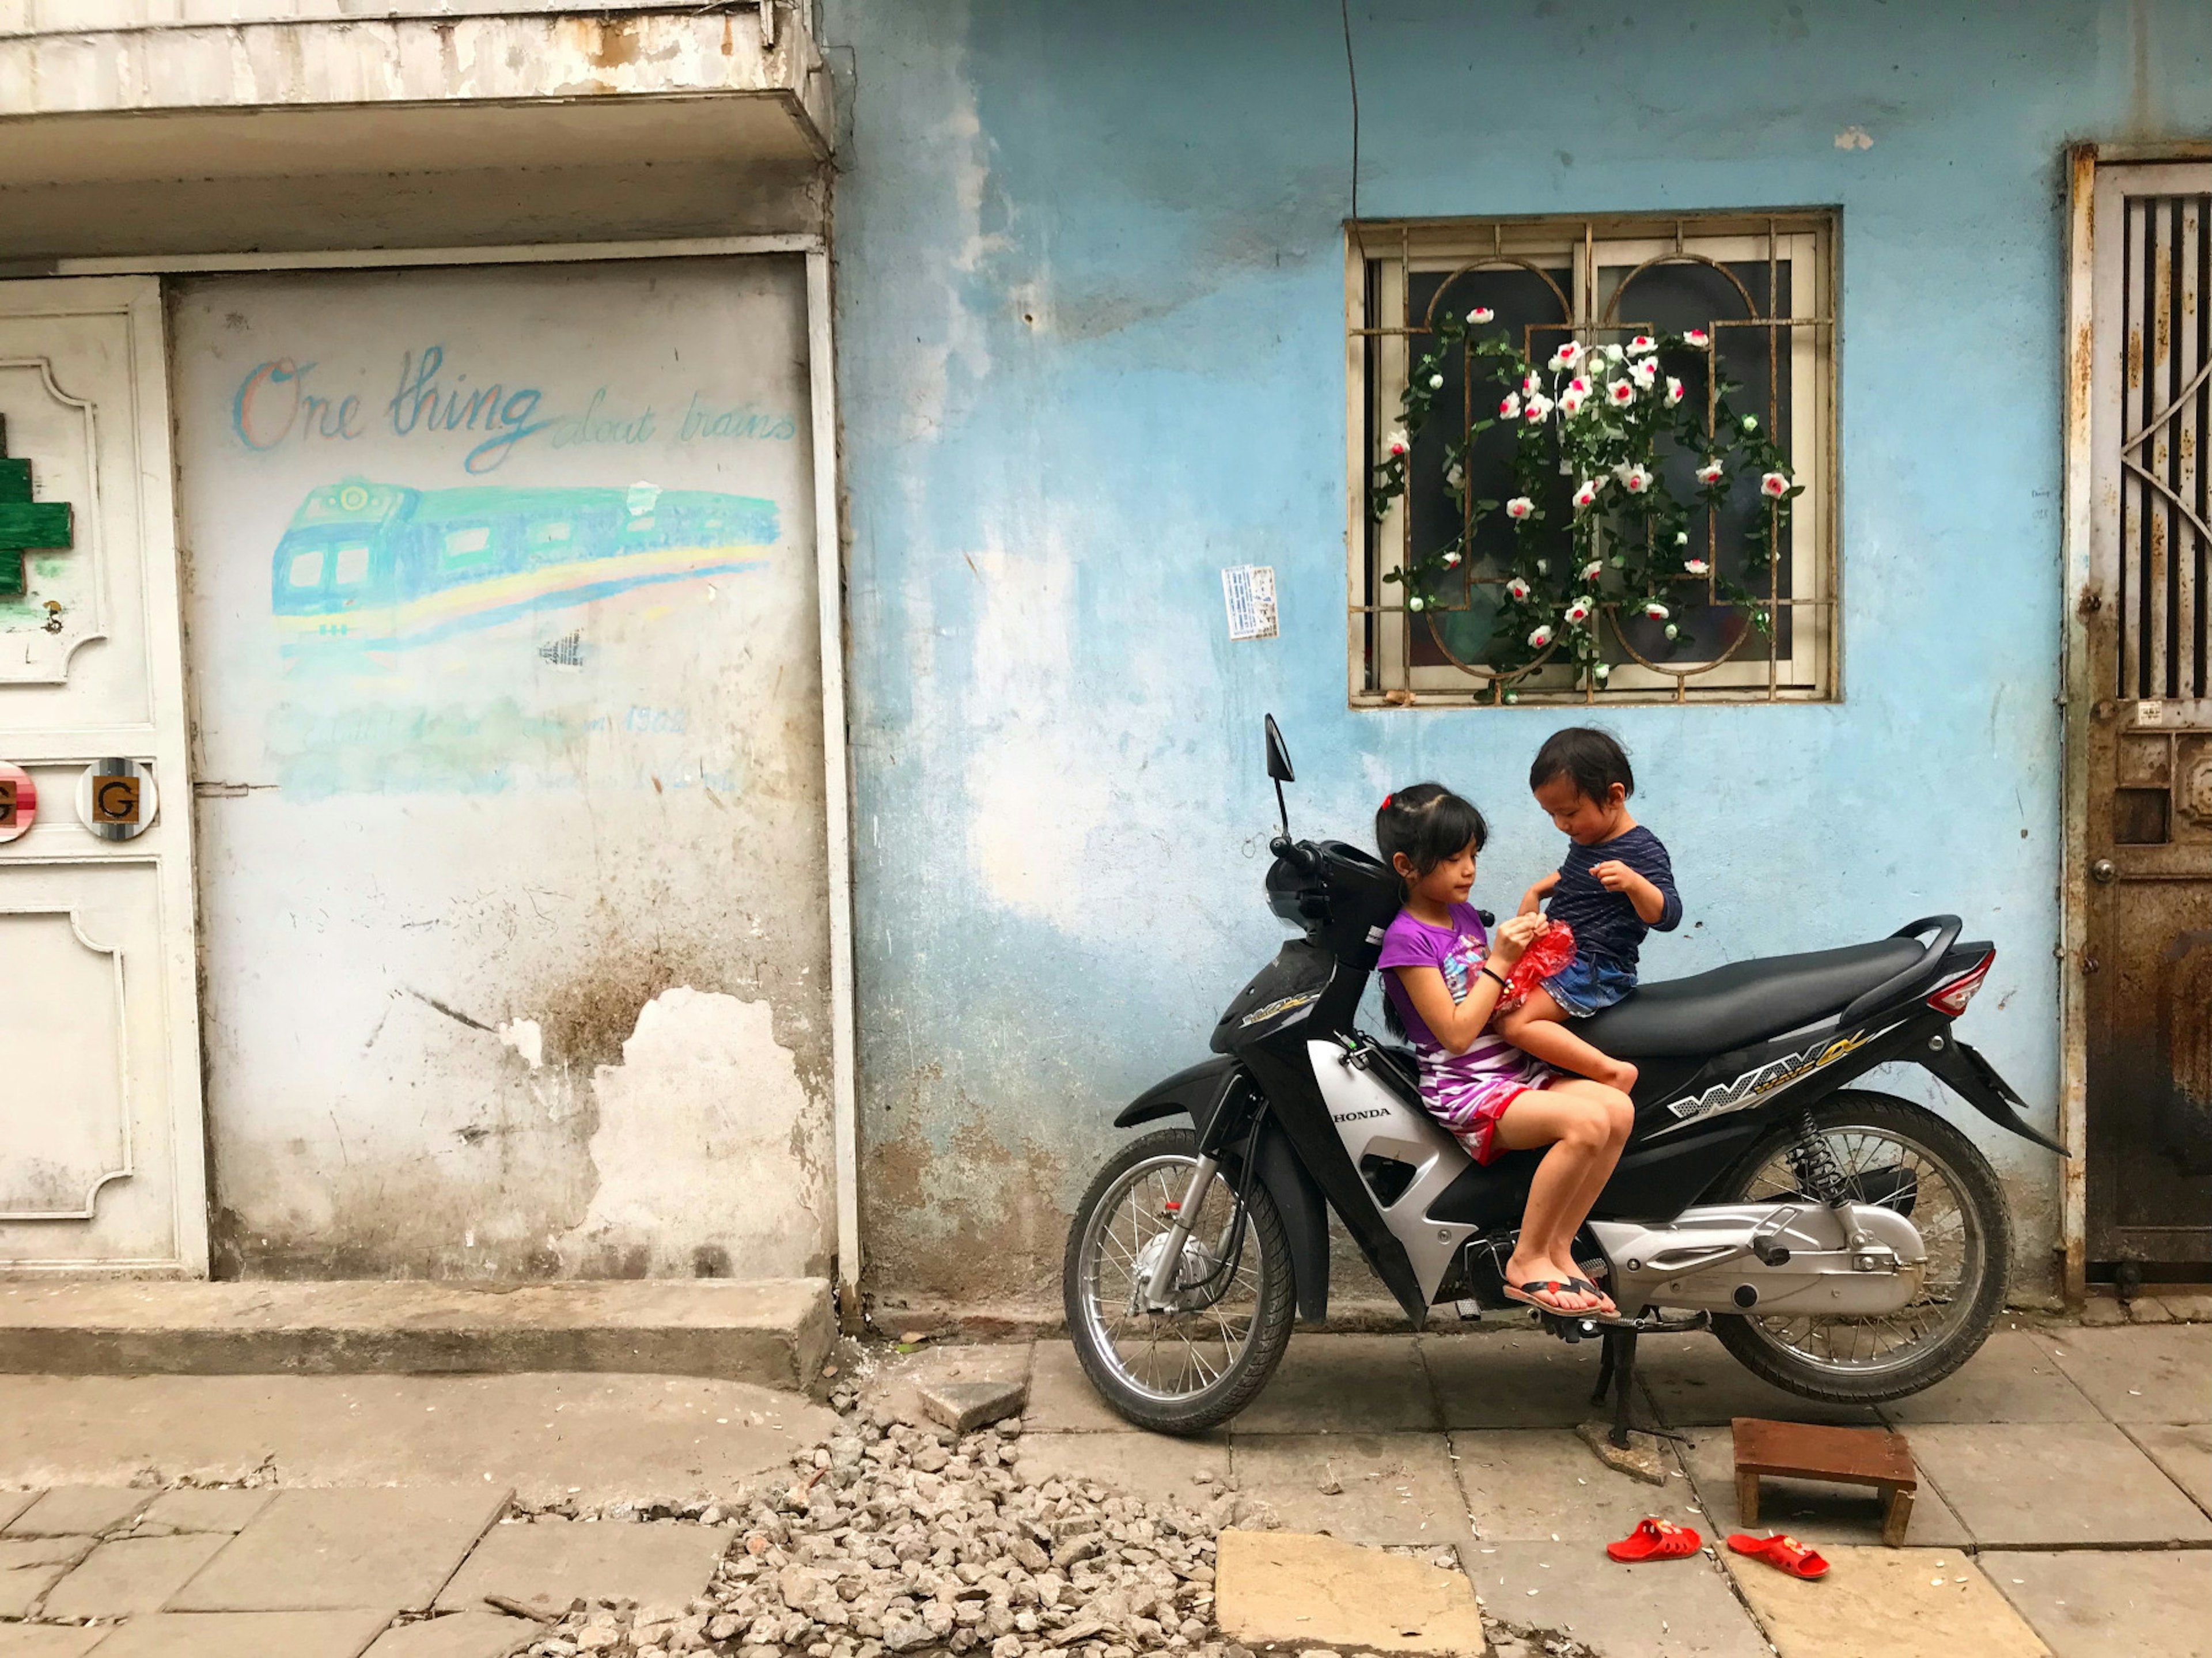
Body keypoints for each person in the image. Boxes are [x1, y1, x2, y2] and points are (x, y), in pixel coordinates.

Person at [1374, 784, 1634, 1318]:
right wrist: (1500, 957)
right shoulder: (1407, 942)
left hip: (1514, 1075)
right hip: (1468, 1089)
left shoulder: (1461, 915)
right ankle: (1526, 1260)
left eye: (1473, 855)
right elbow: (1456, 1033)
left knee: (1618, 1109)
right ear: (1406, 865)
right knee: (1585, 1125)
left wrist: (1528, 935)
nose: (1469, 869)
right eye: (1453, 859)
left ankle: (1558, 1250)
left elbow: (1496, 994)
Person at [1497, 728, 1682, 1096]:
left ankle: (1613, 1074)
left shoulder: (1641, 848)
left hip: (1597, 966)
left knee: (1514, 1024)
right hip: (1562, 956)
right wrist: (1536, 890)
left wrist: (1633, 883)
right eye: (1551, 814)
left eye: (1569, 813)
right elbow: (1573, 874)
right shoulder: (1590, 837)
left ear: (1614, 796)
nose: (1562, 825)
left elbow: (1669, 914)